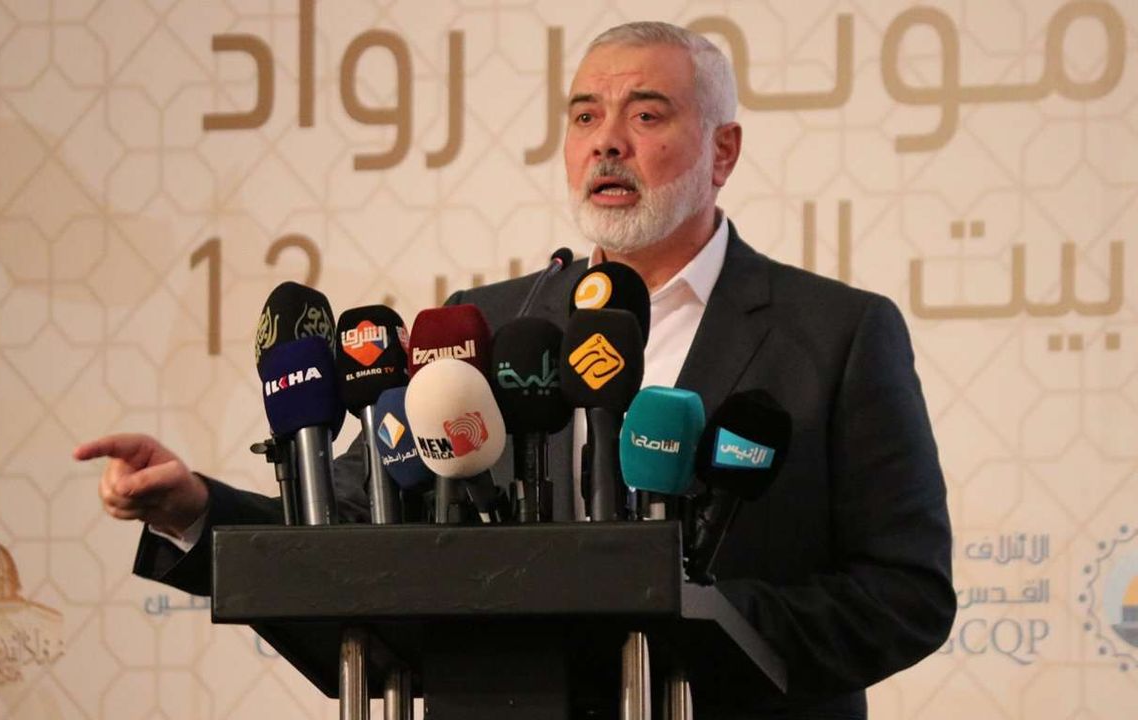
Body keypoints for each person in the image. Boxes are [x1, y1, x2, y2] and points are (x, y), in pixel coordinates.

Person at [75, 21, 955, 718]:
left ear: (722, 151)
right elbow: (350, 521)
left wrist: (702, 617)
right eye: (585, 117)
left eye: (647, 116)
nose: (607, 143)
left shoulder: (837, 333)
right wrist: (194, 509)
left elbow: (905, 592)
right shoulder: (490, 326)